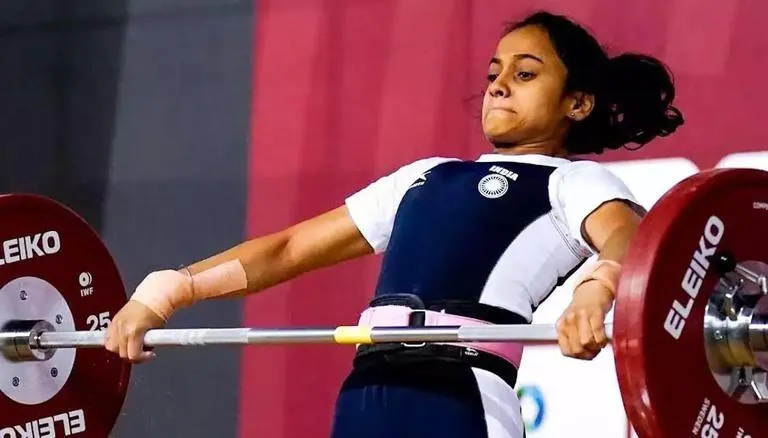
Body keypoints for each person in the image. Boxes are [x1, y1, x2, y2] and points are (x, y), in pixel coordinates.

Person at [105, 10, 683, 438]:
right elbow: (285, 250)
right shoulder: (424, 177)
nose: (499, 84)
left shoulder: (572, 183)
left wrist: (596, 292)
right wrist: (166, 292)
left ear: (576, 104)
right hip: (365, 391)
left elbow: (631, 241)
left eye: (526, 74)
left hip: (460, 393)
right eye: (493, 72)